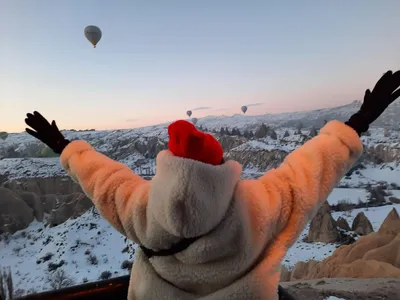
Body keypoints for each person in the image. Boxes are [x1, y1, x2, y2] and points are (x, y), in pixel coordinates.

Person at [24, 70, 400, 300]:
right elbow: (308, 171)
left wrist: (63, 145)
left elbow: (103, 179)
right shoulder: (257, 206)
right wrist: (358, 121)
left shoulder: (143, 208)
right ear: (222, 168)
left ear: (168, 169)